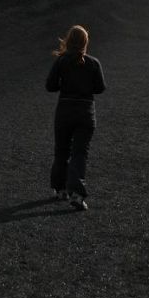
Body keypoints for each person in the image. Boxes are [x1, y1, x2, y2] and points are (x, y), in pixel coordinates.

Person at [46, 25, 106, 210]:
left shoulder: (61, 61)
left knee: (61, 151)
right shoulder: (93, 63)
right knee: (79, 153)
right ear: (85, 43)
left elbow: (50, 86)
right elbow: (100, 88)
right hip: (85, 112)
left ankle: (60, 188)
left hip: (64, 110)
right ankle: (77, 194)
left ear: (68, 40)